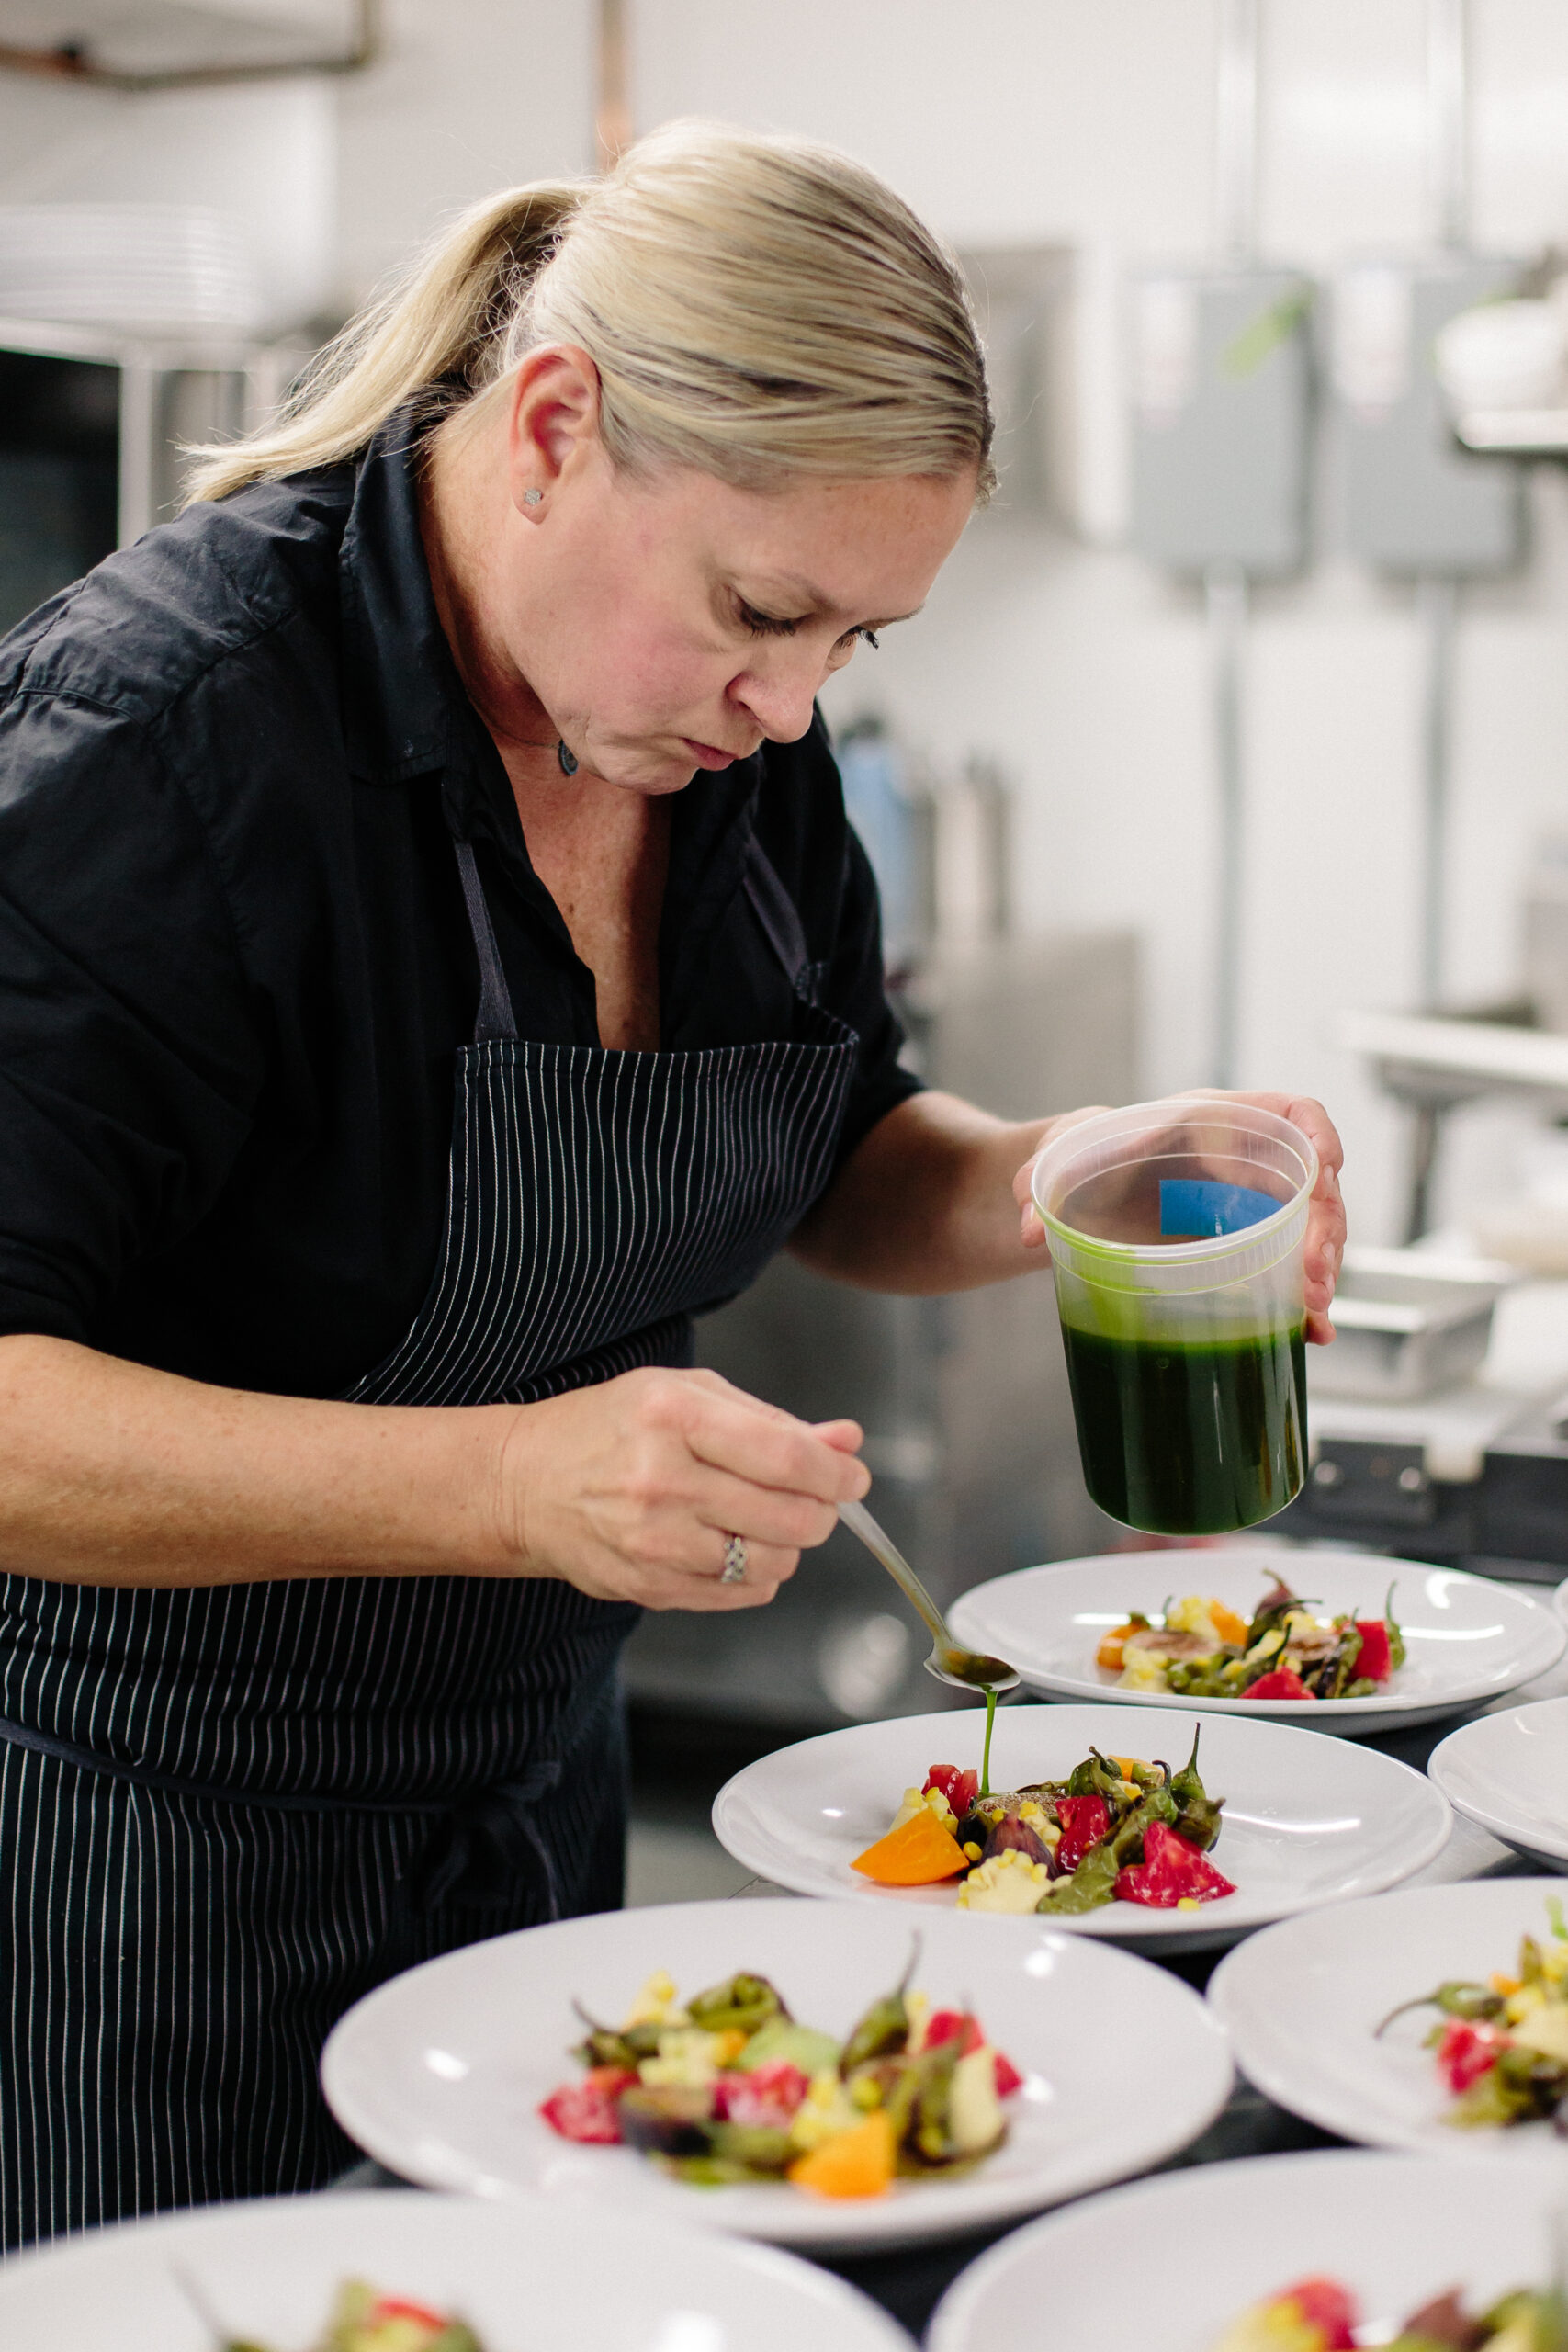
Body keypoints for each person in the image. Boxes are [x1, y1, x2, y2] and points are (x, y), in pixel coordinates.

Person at [0, 120, 1346, 2247]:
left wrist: (1044, 1175)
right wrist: (507, 1483)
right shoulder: (156, 744)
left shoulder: (718, 752)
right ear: (553, 425)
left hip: (526, 1822)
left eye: (855, 645)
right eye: (760, 610)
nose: (790, 700)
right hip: (142, 1879)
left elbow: (830, 1152)